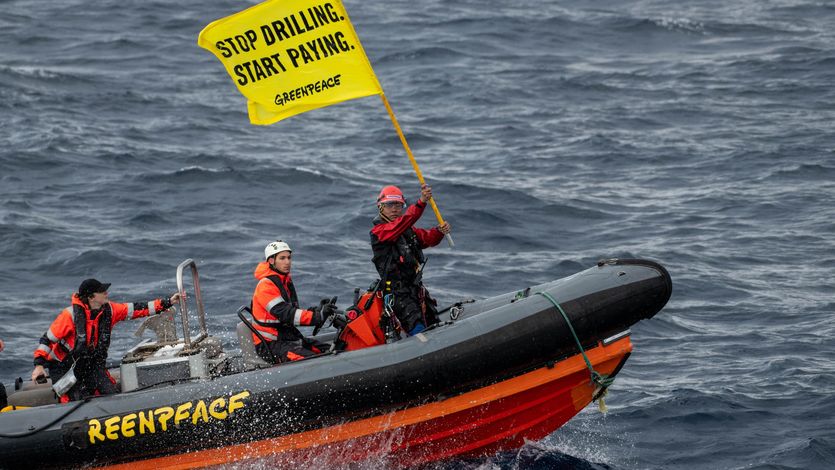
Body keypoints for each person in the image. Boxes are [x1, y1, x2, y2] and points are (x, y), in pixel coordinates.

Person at [31, 279, 180, 403]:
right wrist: (39, 366)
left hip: (90, 364)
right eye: (102, 291)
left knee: (110, 395)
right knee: (75, 401)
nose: (106, 293)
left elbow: (137, 308)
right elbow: (47, 340)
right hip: (63, 367)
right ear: (91, 297)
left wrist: (167, 302)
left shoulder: (110, 310)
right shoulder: (69, 316)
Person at [370, 183, 452, 335]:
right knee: (417, 327)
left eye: (399, 205)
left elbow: (427, 239)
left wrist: (439, 231)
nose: (395, 209)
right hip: (398, 293)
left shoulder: (407, 229)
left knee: (435, 324)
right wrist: (421, 202)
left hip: (416, 288)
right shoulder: (379, 232)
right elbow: (403, 222)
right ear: (381, 207)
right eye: (390, 205)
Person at [251, 240, 337, 363]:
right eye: (282, 258)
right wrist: (316, 317)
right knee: (313, 361)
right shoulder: (266, 286)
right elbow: (287, 314)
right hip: (271, 345)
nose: (287, 262)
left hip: (288, 338)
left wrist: (317, 311)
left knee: (329, 349)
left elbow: (292, 312)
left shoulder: (284, 281)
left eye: (289, 258)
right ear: (271, 261)